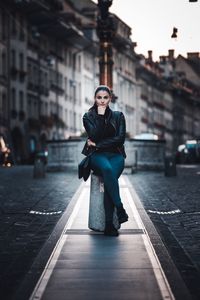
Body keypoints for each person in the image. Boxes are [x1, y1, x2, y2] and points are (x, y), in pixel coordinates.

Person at [81, 85, 129, 236]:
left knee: (110, 180)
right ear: (95, 99)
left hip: (116, 155)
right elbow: (94, 135)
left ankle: (109, 225)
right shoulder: (88, 117)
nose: (102, 101)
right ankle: (120, 208)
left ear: (110, 99)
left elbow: (120, 140)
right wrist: (100, 117)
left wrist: (99, 143)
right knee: (107, 170)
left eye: (105, 98)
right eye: (99, 97)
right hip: (97, 156)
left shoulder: (118, 116)